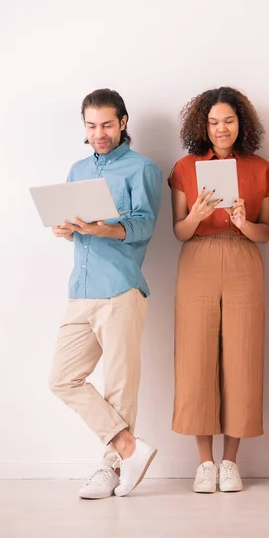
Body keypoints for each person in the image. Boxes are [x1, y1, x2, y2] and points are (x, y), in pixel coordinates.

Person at [49, 89, 162, 499]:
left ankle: (110, 469)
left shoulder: (142, 169)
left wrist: (104, 228)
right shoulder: (78, 169)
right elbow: (75, 225)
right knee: (62, 378)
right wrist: (66, 229)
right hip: (80, 289)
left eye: (107, 125)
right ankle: (129, 448)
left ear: (124, 122)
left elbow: (145, 225)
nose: (100, 133)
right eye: (92, 125)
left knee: (119, 386)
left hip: (120, 288)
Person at [168, 87, 269, 493]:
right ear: (202, 124)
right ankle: (204, 464)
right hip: (197, 259)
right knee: (196, 355)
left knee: (242, 355)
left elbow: (266, 233)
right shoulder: (185, 167)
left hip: (243, 259)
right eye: (213, 122)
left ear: (241, 123)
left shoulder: (261, 169)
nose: (221, 129)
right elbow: (179, 232)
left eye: (228, 121)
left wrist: (243, 222)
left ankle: (230, 461)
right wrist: (196, 216)